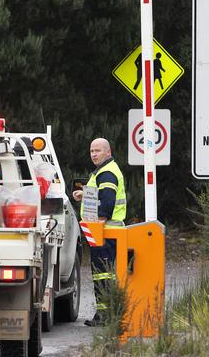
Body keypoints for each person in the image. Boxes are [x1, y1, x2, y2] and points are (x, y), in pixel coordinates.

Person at [72, 138, 127, 326]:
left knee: (103, 275)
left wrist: (99, 221)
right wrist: (85, 193)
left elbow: (108, 203)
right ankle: (104, 315)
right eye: (91, 151)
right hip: (104, 231)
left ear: (108, 152)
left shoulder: (107, 173)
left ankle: (105, 316)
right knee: (103, 274)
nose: (94, 154)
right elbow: (100, 196)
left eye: (98, 150)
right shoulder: (103, 172)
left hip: (106, 232)